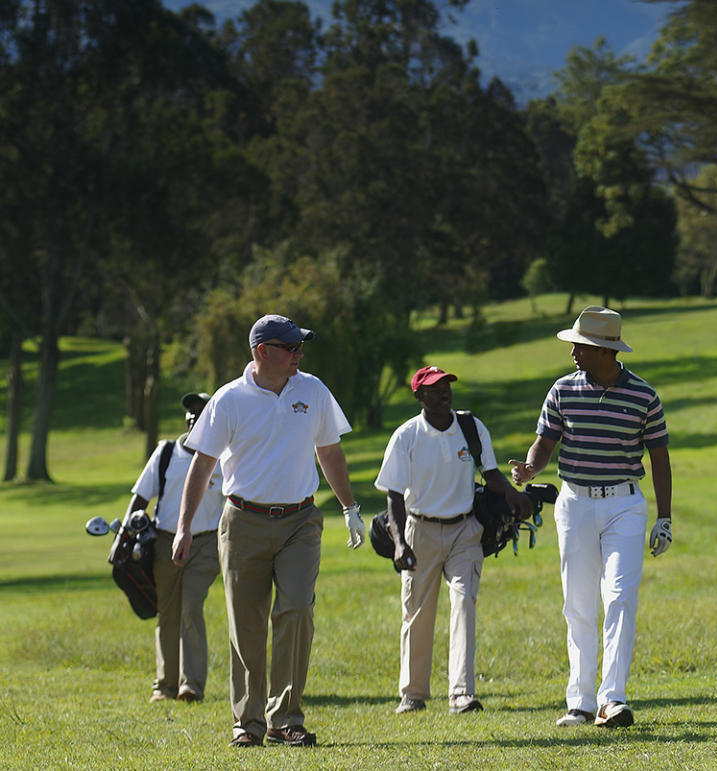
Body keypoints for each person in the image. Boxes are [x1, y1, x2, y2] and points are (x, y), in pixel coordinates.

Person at [172, 314, 366, 748]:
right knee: (247, 625)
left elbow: (329, 451)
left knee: (296, 609)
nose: (300, 354)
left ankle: (285, 719)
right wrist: (183, 527)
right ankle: (248, 724)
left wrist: (349, 506)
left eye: (301, 347)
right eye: (291, 347)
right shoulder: (228, 400)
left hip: (301, 520)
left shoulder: (312, 390)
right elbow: (202, 465)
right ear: (263, 352)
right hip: (243, 522)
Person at [510, 305, 672, 730]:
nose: (573, 353)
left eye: (581, 346)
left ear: (605, 351)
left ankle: (611, 700)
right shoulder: (562, 390)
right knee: (578, 604)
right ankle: (580, 703)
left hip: (624, 505)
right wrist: (530, 469)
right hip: (575, 502)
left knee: (619, 596)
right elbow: (545, 443)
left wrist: (665, 518)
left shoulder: (644, 396)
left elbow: (660, 459)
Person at [375, 365, 531, 715]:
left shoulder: (471, 428)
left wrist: (513, 495)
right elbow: (394, 496)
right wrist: (400, 543)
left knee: (464, 604)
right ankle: (413, 695)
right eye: (433, 388)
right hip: (420, 530)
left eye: (446, 386)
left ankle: (462, 694)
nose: (443, 392)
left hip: (465, 529)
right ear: (419, 396)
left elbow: (489, 474)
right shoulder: (406, 436)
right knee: (417, 613)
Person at [125, 391, 223, 703]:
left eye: (201, 412)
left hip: (207, 541)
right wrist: (126, 534)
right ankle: (164, 686)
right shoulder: (166, 452)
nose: (194, 417)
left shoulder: (225, 455)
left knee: (191, 606)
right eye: (190, 413)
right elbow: (141, 498)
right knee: (167, 611)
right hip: (166, 541)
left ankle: (191, 685)